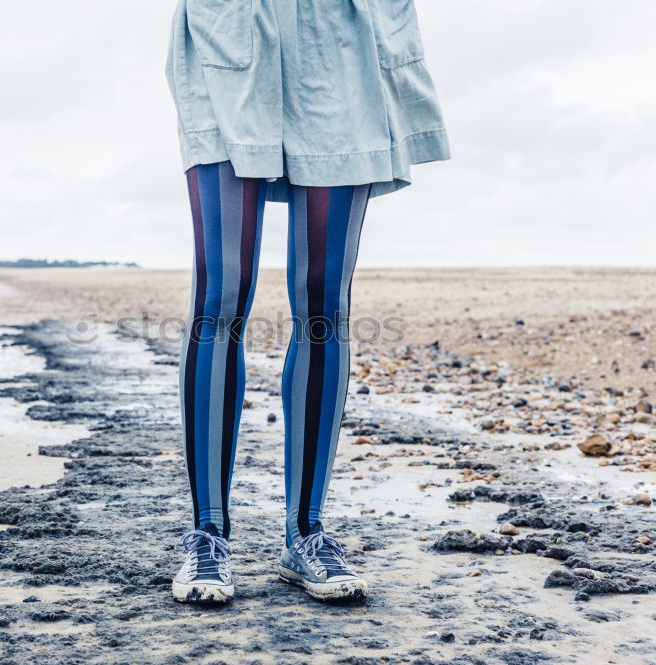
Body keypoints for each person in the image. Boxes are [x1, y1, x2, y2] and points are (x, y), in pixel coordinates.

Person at [164, 0, 449, 604]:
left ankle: (306, 532)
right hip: (229, 30)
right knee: (220, 297)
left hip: (338, 42)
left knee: (323, 307)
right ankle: (207, 533)